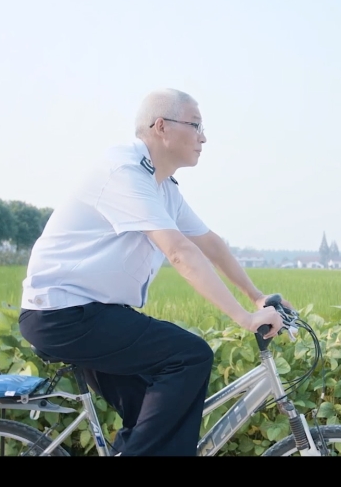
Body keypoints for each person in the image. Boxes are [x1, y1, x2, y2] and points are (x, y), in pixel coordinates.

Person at [18, 88, 289, 457]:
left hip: (90, 314)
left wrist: (255, 296)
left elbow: (209, 243)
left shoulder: (161, 186)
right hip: (63, 315)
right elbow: (180, 252)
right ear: (161, 126)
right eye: (196, 125)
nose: (204, 137)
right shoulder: (124, 173)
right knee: (190, 356)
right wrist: (244, 317)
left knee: (149, 413)